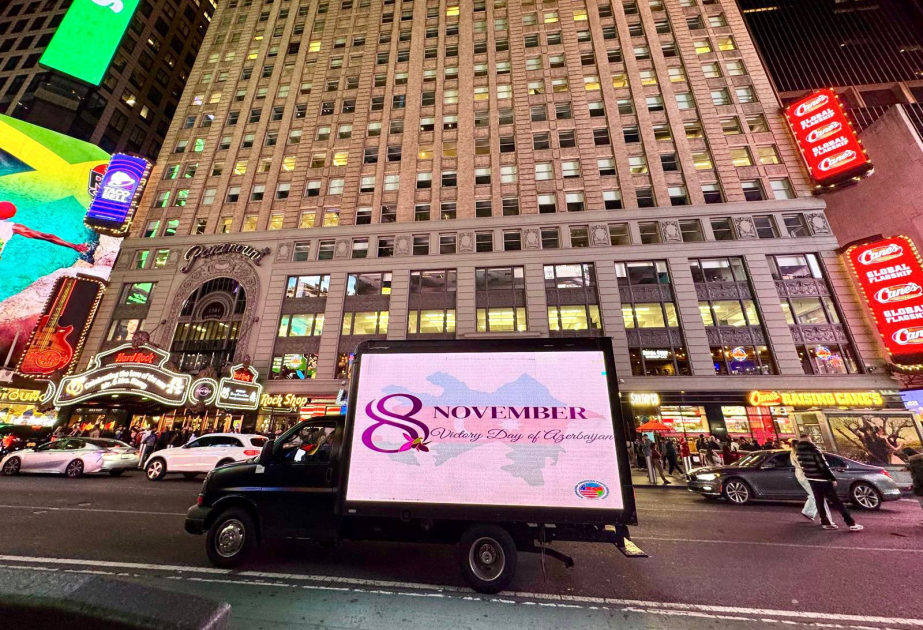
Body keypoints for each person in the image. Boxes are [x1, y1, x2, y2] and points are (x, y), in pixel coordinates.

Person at [795, 434, 862, 532]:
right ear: (809, 440)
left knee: (819, 501)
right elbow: (823, 466)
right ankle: (851, 523)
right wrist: (832, 478)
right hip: (823, 479)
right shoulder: (815, 450)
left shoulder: (799, 453)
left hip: (812, 479)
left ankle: (825, 522)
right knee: (837, 502)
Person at [0, 201, 89, 260]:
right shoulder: (13, 227)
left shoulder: (12, 227)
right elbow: (46, 237)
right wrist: (73, 245)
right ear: (11, 216)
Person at [790, 438, 817, 522]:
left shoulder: (792, 453)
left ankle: (810, 512)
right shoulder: (799, 454)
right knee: (814, 494)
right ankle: (808, 511)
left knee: (813, 493)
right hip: (804, 474)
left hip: (799, 474)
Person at [908, 452, 923, 524]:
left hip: (920, 488)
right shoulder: (919, 465)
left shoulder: (916, 466)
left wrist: (915, 485)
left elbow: (918, 478)